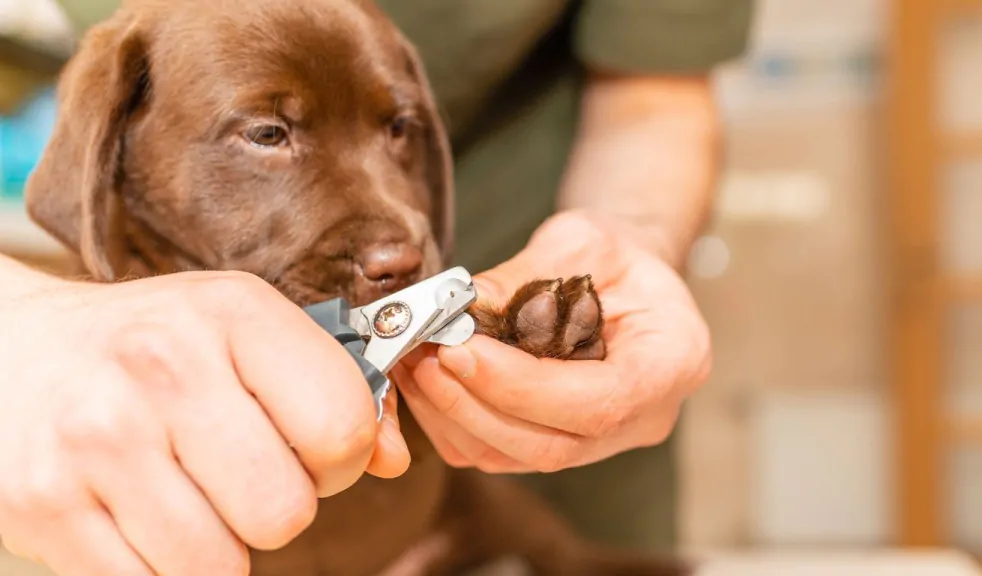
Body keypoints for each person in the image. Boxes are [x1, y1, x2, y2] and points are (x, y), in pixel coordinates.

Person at [2, 0, 754, 572]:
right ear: (110, 147)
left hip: (501, 446)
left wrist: (624, 249)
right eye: (269, 134)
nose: (395, 237)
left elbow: (654, 95)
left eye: (396, 130)